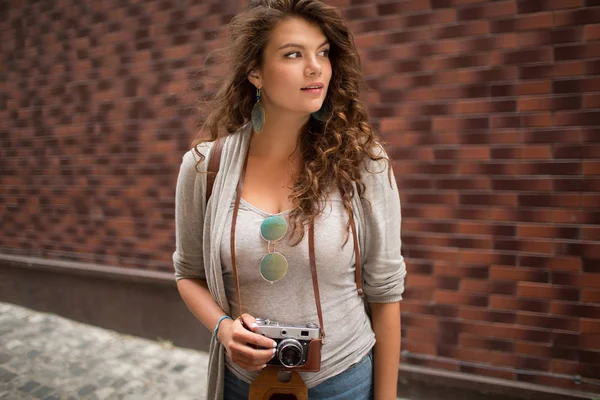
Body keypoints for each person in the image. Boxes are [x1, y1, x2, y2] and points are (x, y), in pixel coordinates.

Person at [173, 0, 407, 399]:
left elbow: (385, 295)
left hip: (344, 381)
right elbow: (188, 273)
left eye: (323, 52)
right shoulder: (203, 167)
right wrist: (224, 328)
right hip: (243, 385)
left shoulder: (363, 162)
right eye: (293, 54)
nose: (315, 67)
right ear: (255, 72)